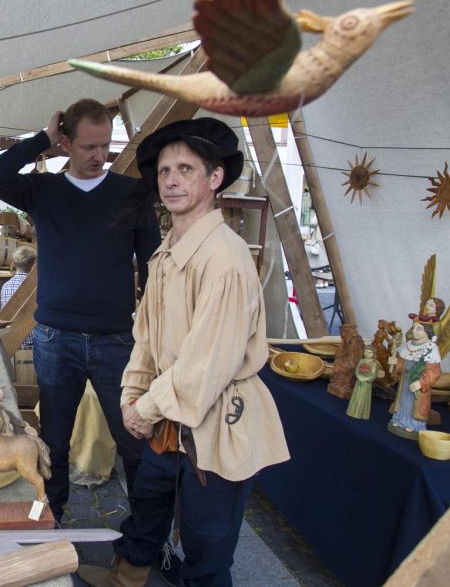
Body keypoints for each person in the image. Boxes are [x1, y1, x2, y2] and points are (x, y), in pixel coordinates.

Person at [78, 117, 289, 586]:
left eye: (186, 169)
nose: (171, 179)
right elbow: (147, 336)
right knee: (148, 507)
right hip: (168, 416)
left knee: (206, 543)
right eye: (164, 171)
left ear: (215, 179)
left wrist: (146, 407)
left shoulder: (226, 260)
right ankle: (128, 577)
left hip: (215, 423)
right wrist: (131, 397)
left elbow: (207, 363)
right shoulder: (166, 253)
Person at [0, 98, 161, 522]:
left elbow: (154, 272)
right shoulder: (43, 191)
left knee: (134, 439)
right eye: (89, 147)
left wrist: (154, 340)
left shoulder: (132, 193)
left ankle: (146, 536)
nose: (100, 157)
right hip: (56, 339)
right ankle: (52, 518)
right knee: (54, 443)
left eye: (106, 147)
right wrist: (41, 139)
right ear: (66, 144)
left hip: (117, 340)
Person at [388, 316, 441, 439]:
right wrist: (395, 362)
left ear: (427, 331)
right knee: (403, 402)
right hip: (405, 381)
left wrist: (421, 383)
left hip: (418, 384)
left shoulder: (431, 348)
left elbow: (434, 372)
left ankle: (414, 425)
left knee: (414, 404)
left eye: (419, 329)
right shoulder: (407, 345)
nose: (414, 331)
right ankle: (399, 420)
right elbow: (401, 363)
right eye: (413, 328)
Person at [0, 245, 37, 348]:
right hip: (32, 341)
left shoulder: (5, 286)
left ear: (14, 264)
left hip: (10, 339)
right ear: (33, 265)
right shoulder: (36, 287)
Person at [347, 346, 381, 420]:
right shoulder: (361, 360)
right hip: (359, 381)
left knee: (363, 397)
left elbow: (373, 375)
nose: (367, 354)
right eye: (366, 351)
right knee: (356, 396)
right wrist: (359, 377)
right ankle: (352, 411)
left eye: (370, 352)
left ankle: (361, 413)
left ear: (374, 354)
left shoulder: (374, 364)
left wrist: (365, 379)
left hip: (366, 384)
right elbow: (356, 370)